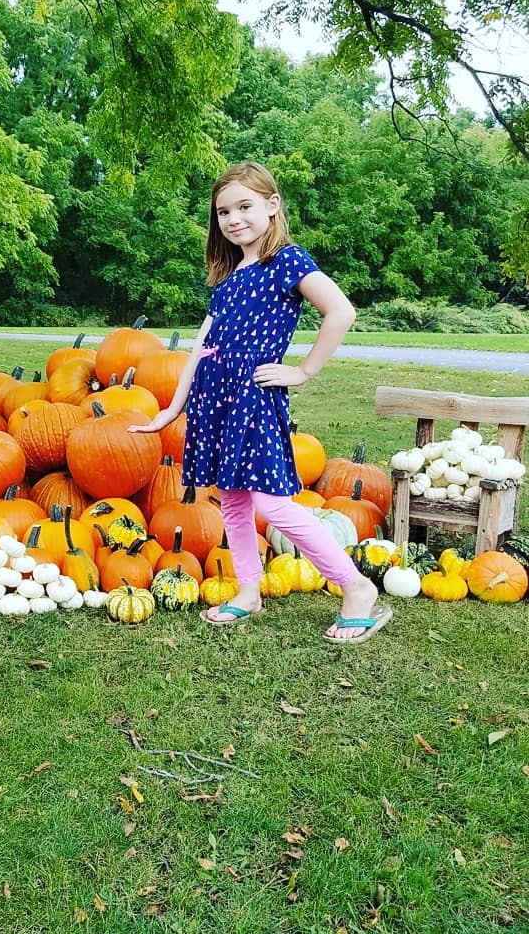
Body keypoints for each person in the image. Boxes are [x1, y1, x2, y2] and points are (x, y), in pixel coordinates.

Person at [130, 162, 391, 644]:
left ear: (272, 206)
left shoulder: (287, 262)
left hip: (252, 398)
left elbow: (341, 311)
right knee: (231, 500)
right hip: (215, 400)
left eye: (245, 206)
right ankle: (249, 591)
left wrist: (304, 370)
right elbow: (199, 350)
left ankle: (356, 588)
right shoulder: (227, 281)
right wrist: (172, 408)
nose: (234, 219)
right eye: (224, 211)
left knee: (272, 504)